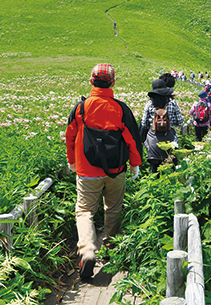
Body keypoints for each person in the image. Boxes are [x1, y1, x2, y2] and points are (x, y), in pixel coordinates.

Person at [65, 63, 142, 279]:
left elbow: (70, 137)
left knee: (84, 211)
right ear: (113, 82)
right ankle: (110, 248)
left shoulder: (81, 108)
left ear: (91, 82)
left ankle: (87, 250)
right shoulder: (121, 109)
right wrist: (135, 164)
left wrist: (72, 161)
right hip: (116, 170)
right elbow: (132, 141)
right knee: (114, 208)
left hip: (87, 170)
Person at [140, 77, 183, 141]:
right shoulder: (172, 102)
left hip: (153, 137)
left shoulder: (149, 104)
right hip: (169, 136)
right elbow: (180, 122)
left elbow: (144, 123)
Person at [144, 108, 176, 173]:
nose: (161, 123)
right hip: (167, 158)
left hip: (153, 157)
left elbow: (147, 143)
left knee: (154, 173)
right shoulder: (170, 132)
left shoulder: (151, 132)